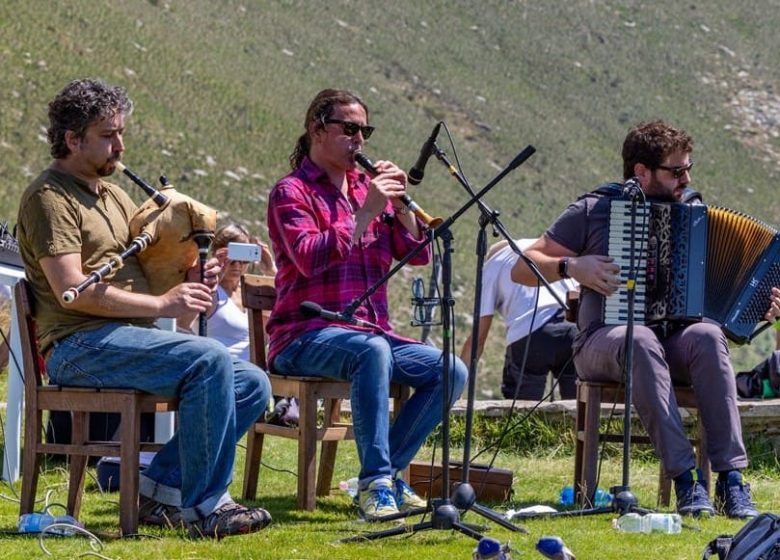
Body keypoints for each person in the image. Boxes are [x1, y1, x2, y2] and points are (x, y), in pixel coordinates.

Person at [16, 79, 273, 539]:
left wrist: (191, 280)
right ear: (72, 139)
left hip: (129, 339)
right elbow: (72, 289)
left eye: (120, 132)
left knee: (252, 382)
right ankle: (207, 508)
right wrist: (162, 302)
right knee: (210, 358)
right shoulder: (48, 199)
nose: (120, 145)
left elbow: (152, 278)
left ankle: (160, 490)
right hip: (78, 347)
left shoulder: (115, 197)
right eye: (108, 135)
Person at [512, 120, 780, 519]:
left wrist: (759, 306)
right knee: (640, 339)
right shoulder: (594, 209)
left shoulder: (692, 215)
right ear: (641, 171)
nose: (685, 178)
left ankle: (731, 481)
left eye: (688, 168)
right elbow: (523, 266)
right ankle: (687, 481)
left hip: (671, 343)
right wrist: (573, 266)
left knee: (707, 335)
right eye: (676, 171)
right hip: (602, 341)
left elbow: (721, 298)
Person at [266, 88, 468, 519]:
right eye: (350, 129)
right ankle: (377, 482)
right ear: (317, 129)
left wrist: (401, 210)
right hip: (303, 336)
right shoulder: (292, 192)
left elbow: (418, 255)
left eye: (365, 130)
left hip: (368, 333)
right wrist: (364, 211)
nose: (360, 140)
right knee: (371, 352)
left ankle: (384, 474)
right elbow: (308, 257)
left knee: (452, 369)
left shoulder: (365, 187)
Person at [460, 238, 578, 401]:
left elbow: (478, 338)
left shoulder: (492, 265)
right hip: (572, 329)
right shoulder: (545, 250)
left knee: (521, 410)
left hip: (530, 334)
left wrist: (456, 387)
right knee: (578, 406)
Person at [205, 222, 276, 361]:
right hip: (220, 370)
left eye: (244, 258)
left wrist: (270, 269)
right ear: (216, 254)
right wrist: (214, 275)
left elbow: (288, 305)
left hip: (254, 373)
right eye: (231, 258)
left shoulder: (255, 291)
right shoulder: (210, 289)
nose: (237, 264)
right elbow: (185, 322)